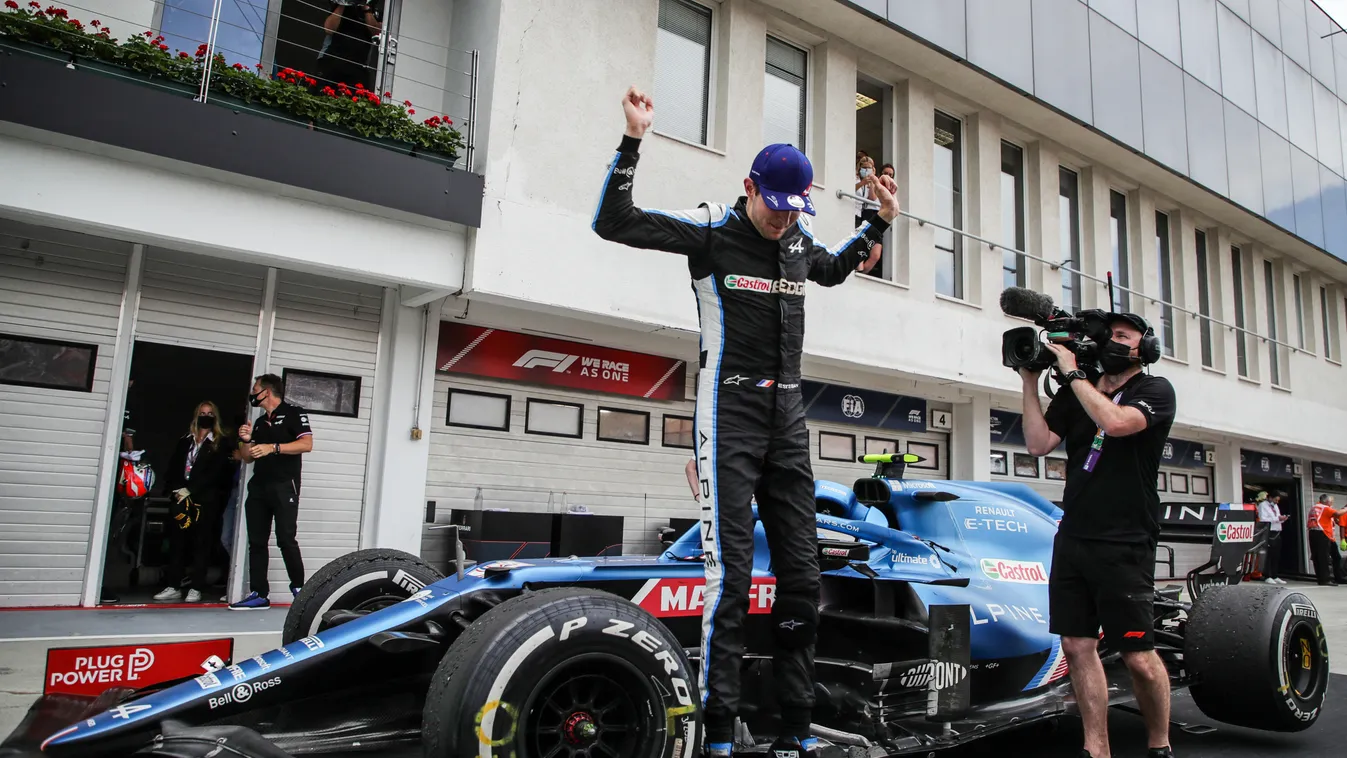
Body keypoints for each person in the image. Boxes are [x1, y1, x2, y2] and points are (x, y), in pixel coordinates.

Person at [593, 86, 896, 758]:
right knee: (729, 580)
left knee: (801, 579)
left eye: (795, 212)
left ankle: (792, 726)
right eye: (774, 208)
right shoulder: (708, 229)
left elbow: (836, 271)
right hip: (727, 412)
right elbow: (612, 222)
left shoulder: (796, 241)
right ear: (748, 187)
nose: (783, 223)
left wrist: (877, 223)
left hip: (787, 415)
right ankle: (720, 734)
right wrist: (633, 140)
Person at [1020, 313, 1176, 758]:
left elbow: (1117, 423)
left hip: (1125, 539)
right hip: (1074, 537)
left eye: (1124, 336)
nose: (1113, 340)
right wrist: (1030, 382)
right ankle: (1097, 748)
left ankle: (1159, 745)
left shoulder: (1154, 390)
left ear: (1144, 348)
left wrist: (1071, 373)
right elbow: (1037, 443)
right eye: (1109, 334)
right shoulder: (1076, 393)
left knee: (1139, 657)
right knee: (1076, 644)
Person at [230, 374, 313, 610]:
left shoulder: (294, 413)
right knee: (256, 542)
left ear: (266, 391)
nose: (253, 393)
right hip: (259, 487)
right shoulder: (259, 422)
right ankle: (259, 593)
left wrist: (272, 448)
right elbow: (247, 458)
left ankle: (300, 591)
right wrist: (245, 440)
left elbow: (306, 444)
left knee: (286, 539)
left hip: (284, 485)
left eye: (255, 388)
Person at [153, 402, 231, 603]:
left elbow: (216, 473)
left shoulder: (220, 442)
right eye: (202, 413)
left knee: (201, 544)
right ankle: (173, 585)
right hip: (180, 499)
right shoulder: (185, 441)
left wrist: (192, 490)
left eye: (210, 413)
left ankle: (196, 587)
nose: (206, 416)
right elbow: (173, 468)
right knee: (177, 543)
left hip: (204, 501)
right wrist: (176, 491)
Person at [316, 1, 382, 93]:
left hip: (358, 66)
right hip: (332, 59)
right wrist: (343, 3)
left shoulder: (375, 8)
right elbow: (329, 29)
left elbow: (377, 32)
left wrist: (366, 9)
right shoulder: (340, 5)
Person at [1308, 494, 1344, 585]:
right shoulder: (1324, 508)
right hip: (1322, 533)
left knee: (1324, 556)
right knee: (1323, 557)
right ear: (1326, 501)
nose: (1332, 503)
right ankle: (1325, 579)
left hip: (1316, 533)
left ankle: (1323, 578)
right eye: (1330, 501)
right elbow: (1338, 513)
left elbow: (1333, 519)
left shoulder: (1315, 507)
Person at [1255, 491, 1289, 584]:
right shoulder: (1263, 505)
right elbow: (1263, 519)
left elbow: (1277, 518)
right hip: (1268, 532)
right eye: (1275, 500)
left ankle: (1275, 575)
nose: (1277, 502)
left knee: (1276, 555)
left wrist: (1282, 519)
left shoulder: (1275, 506)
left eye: (1278, 500)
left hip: (1277, 531)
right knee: (1268, 555)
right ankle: (1267, 575)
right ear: (1270, 498)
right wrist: (1277, 519)